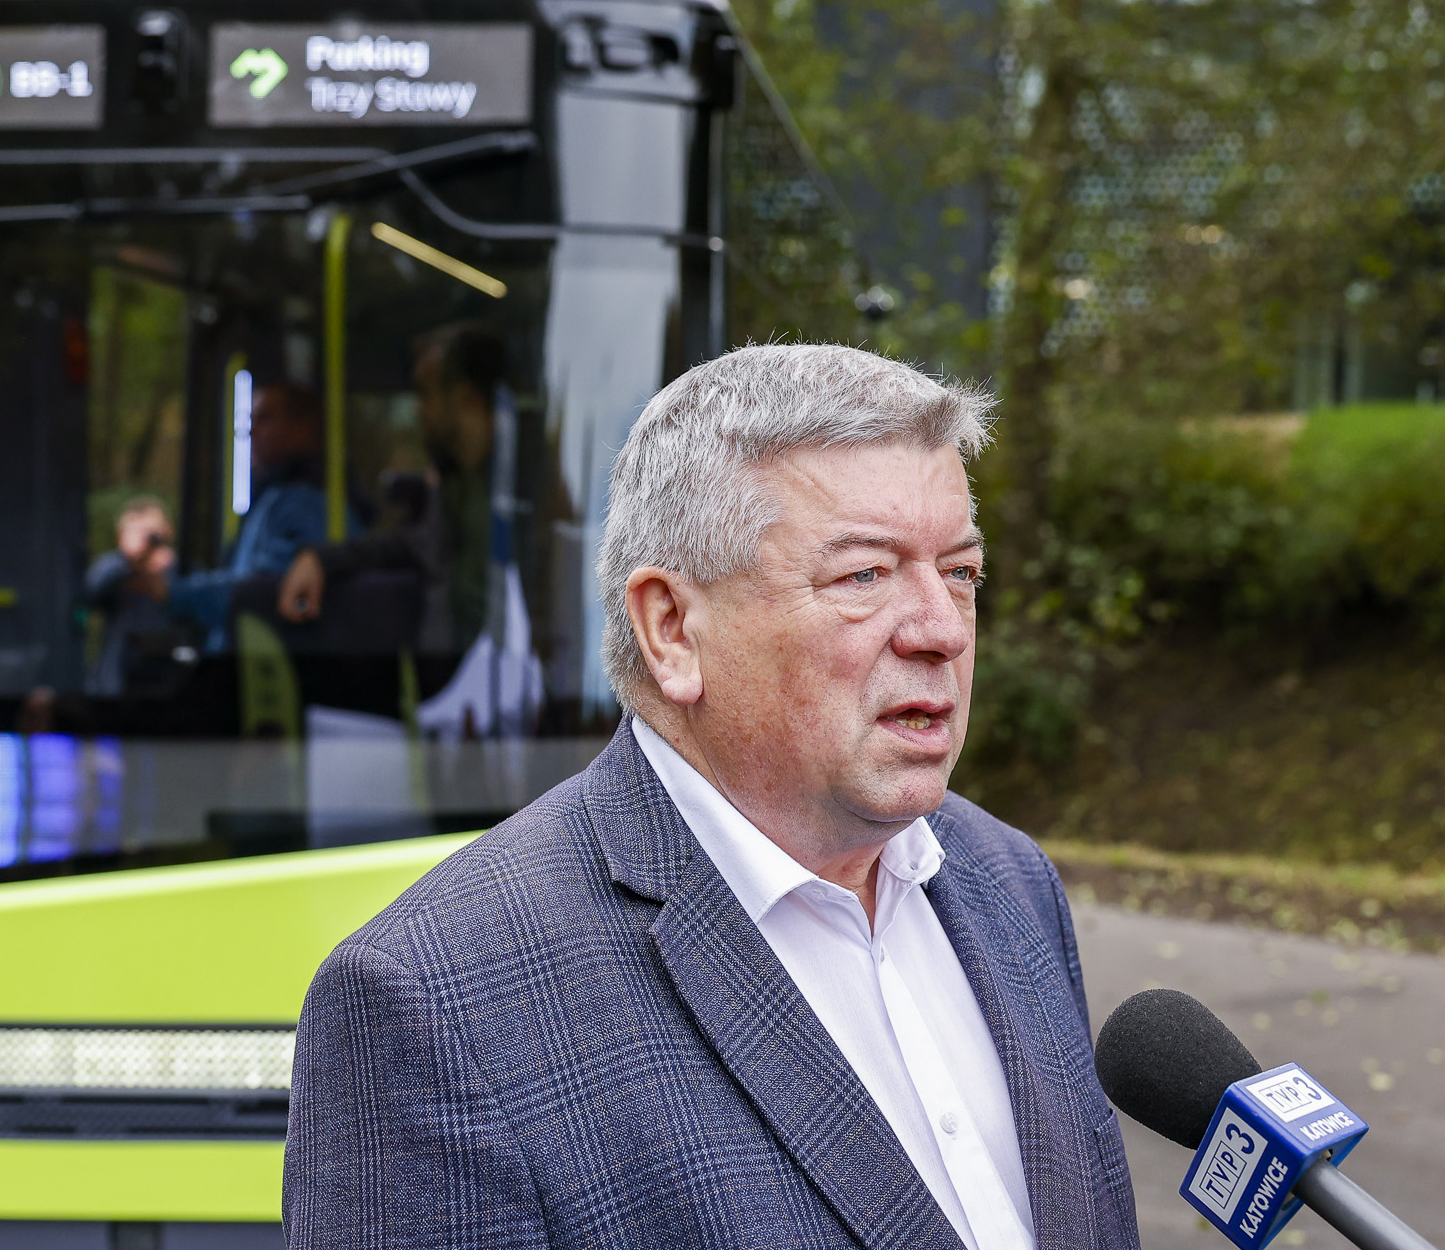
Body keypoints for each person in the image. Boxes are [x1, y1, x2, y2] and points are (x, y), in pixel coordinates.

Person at [285, 344, 1137, 1249]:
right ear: (672, 628)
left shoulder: (1010, 880)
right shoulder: (433, 1002)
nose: (938, 629)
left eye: (960, 572)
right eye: (866, 575)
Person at [277, 321, 503, 655]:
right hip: (450, 692)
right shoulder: (454, 486)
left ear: (469, 400)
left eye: (426, 394)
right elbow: (407, 547)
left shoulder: (525, 490)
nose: (417, 410)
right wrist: (319, 560)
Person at [172, 381, 348, 650]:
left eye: (265, 419)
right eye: (250, 420)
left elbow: (262, 594)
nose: (251, 431)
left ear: (304, 427)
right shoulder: (272, 496)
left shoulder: (307, 505)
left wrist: (174, 592)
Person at [82, 495, 179, 694]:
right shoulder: (111, 567)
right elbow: (91, 594)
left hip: (167, 675)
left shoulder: (181, 570)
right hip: (115, 676)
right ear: (120, 536)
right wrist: (132, 563)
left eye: (150, 532)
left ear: (167, 532)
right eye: (135, 531)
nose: (144, 539)